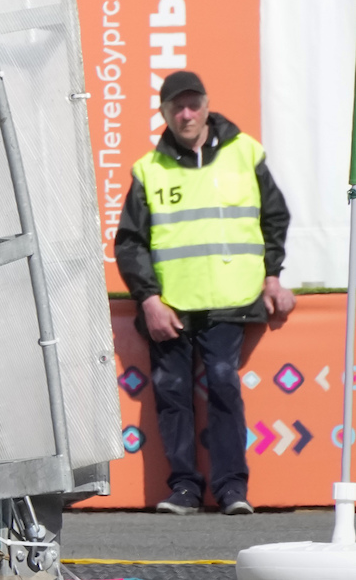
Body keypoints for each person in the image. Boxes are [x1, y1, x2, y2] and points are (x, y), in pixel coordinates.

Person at [116, 69, 295, 515]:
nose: (186, 113)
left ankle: (232, 489)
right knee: (172, 393)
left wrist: (273, 276)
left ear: (207, 106)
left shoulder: (245, 152)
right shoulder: (148, 169)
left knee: (222, 385)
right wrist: (149, 299)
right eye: (176, 106)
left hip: (231, 301)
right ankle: (184, 489)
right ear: (164, 113)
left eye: (193, 104)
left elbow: (274, 216)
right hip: (170, 307)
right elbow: (130, 242)